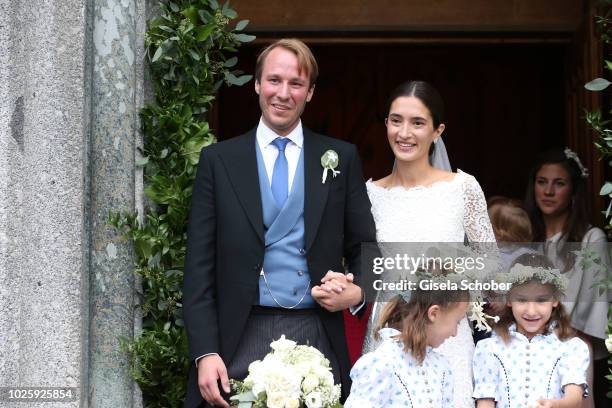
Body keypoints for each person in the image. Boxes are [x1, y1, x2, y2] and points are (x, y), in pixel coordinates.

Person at [182, 38, 376, 408]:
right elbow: (198, 270)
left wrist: (356, 292)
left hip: (315, 329)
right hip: (238, 337)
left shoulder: (340, 158)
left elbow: (367, 250)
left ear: (311, 92)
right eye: (274, 80)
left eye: (296, 84)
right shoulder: (219, 161)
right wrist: (205, 353)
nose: (283, 93)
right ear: (257, 84)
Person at [361, 80, 497, 408]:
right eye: (396, 120)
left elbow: (490, 262)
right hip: (389, 330)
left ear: (437, 131)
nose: (404, 132)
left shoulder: (463, 187)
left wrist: (449, 287)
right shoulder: (370, 194)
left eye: (417, 123)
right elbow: (361, 267)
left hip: (446, 329)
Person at [524, 147, 609, 406]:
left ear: (573, 190)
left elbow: (590, 311)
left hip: (569, 347)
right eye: (542, 182)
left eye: (559, 183)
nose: (548, 191)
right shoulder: (524, 238)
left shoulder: (590, 239)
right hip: (521, 351)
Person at [473, 253, 590, 408]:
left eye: (541, 300)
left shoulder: (571, 347)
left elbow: (575, 398)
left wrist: (554, 405)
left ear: (555, 300)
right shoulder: (489, 348)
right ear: (509, 299)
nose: (531, 311)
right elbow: (485, 403)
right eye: (521, 300)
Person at [345, 276, 470, 407]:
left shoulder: (442, 367)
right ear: (433, 313)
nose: (455, 333)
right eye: (457, 321)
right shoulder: (382, 364)